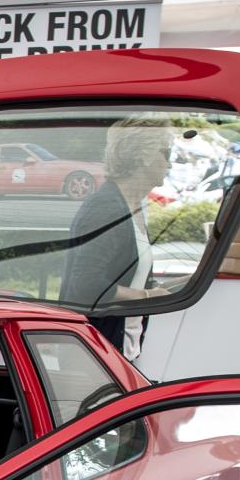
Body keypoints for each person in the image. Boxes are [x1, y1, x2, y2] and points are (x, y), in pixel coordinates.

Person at [60, 117, 175, 359]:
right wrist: (147, 297)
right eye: (166, 153)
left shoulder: (133, 206)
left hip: (120, 348)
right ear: (144, 155)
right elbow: (86, 284)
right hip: (93, 354)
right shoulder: (107, 208)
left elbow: (128, 277)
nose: (170, 163)